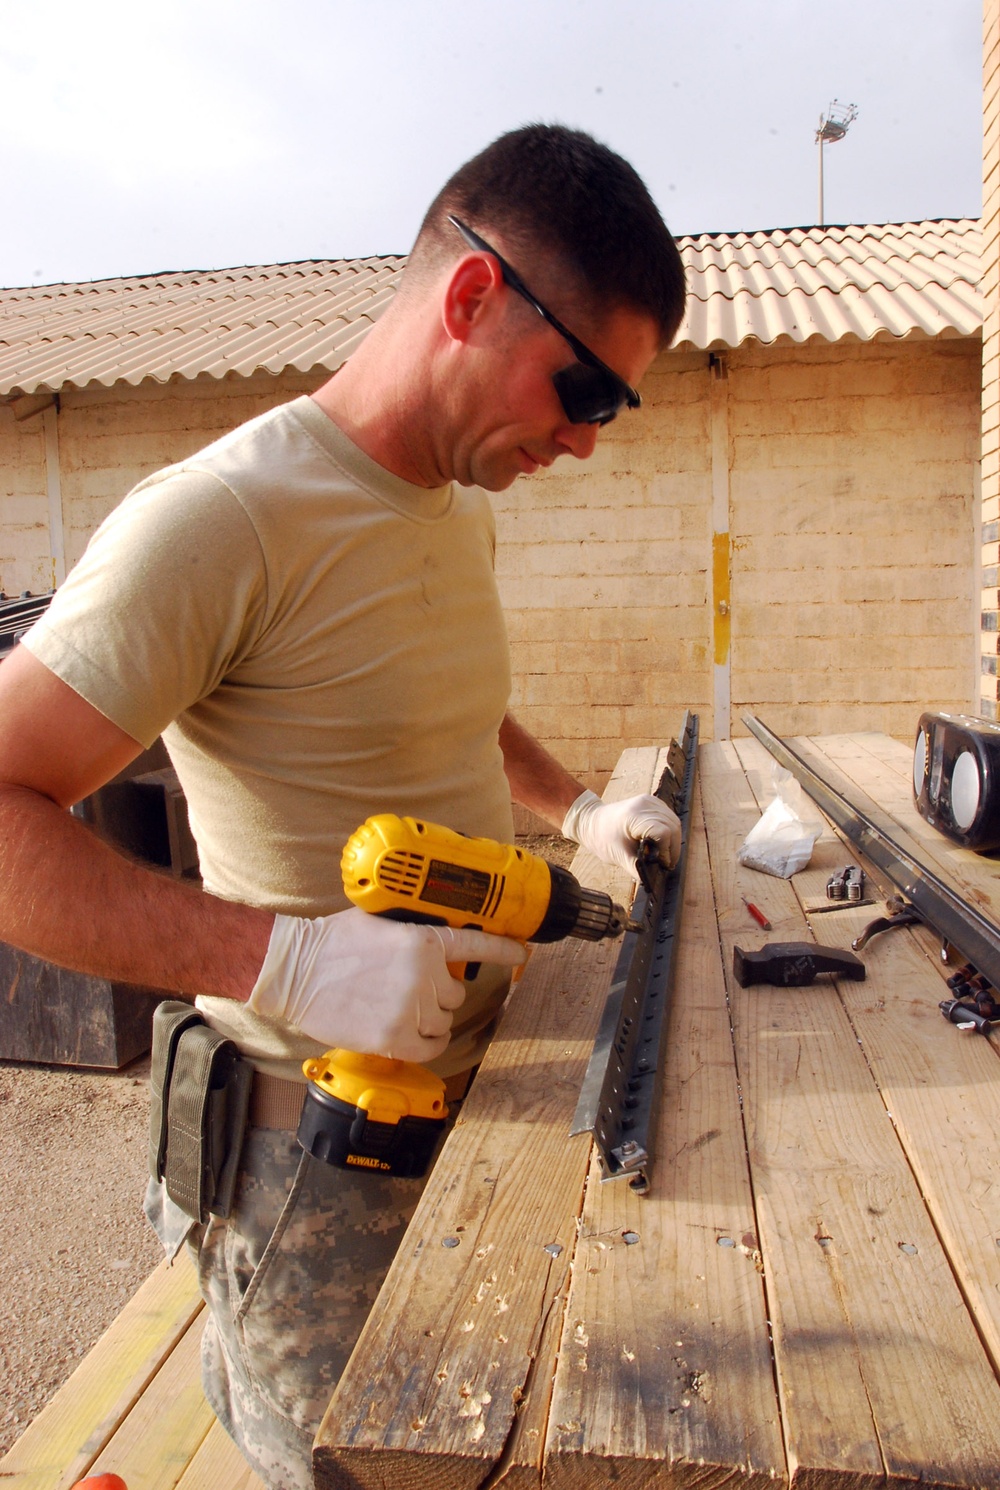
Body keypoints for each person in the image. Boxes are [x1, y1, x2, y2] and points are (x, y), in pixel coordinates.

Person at [0, 124, 686, 1488]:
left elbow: (443, 703)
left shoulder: (453, 499)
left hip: (481, 1101)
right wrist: (283, 958)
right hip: (315, 1157)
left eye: (616, 405)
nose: (586, 439)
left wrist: (573, 813)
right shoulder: (220, 519)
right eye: (585, 388)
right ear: (475, 296)